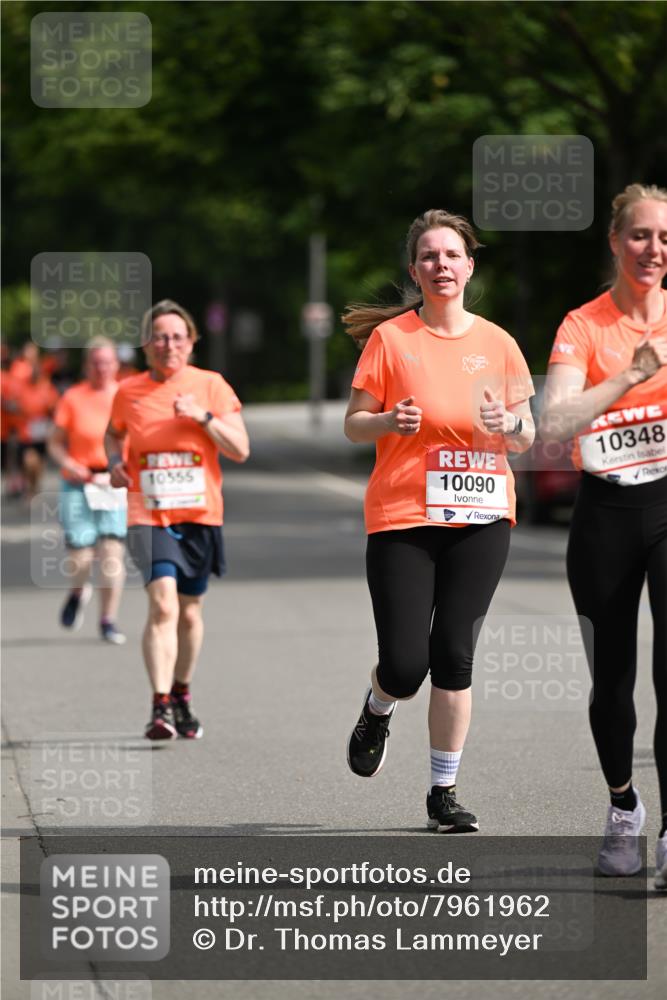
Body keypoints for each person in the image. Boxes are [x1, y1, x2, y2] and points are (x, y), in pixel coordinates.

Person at [343, 209, 535, 832]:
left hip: (481, 515)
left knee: (454, 654)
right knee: (406, 665)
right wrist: (384, 422)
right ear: (415, 271)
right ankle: (378, 706)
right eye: (429, 256)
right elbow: (354, 422)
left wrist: (513, 427)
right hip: (402, 515)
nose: (441, 265)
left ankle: (442, 794)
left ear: (469, 265)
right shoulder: (391, 340)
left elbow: (527, 434)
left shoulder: (499, 343)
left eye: (452, 255)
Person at [541, 183, 667, 889]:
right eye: (640, 236)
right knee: (611, 678)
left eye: (664, 239)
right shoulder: (583, 325)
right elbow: (556, 421)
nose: (653, 250)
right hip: (604, 513)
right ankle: (624, 808)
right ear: (616, 242)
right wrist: (627, 376)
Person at [106, 300, 249, 740]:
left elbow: (240, 450)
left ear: (191, 343)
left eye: (177, 337)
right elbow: (114, 434)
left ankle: (182, 694)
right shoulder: (128, 391)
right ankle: (160, 706)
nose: (169, 344)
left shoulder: (211, 386)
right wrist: (114, 462)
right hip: (147, 512)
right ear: (147, 344)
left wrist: (202, 417)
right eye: (159, 336)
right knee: (163, 603)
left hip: (200, 514)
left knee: (189, 613)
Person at [48, 337, 127, 643]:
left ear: (116, 365)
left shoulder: (126, 395)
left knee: (111, 554)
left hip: (114, 481)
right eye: (96, 362)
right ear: (87, 365)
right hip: (79, 482)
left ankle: (108, 619)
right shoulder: (73, 397)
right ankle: (78, 590)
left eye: (107, 362)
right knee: (81, 555)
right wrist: (69, 463)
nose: (102, 368)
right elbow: (54, 443)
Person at [13, 353, 59, 500]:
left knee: (37, 464)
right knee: (29, 461)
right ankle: (30, 489)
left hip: (42, 434)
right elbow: (15, 404)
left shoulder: (47, 388)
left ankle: (34, 486)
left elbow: (55, 408)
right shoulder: (22, 388)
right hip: (26, 434)